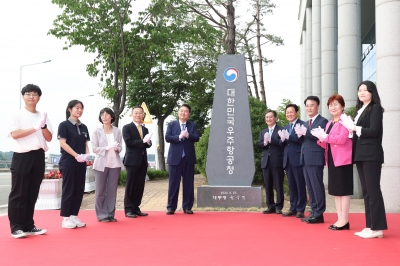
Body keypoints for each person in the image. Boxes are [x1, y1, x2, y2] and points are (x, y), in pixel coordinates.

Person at [340, 81, 388, 238]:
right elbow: (358, 132)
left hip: (371, 155)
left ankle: (377, 228)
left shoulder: (375, 108)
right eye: (359, 90)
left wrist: (355, 128)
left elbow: (374, 131)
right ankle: (370, 226)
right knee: (367, 192)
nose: (361, 93)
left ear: (372, 92)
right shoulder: (360, 110)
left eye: (365, 90)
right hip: (361, 154)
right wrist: (350, 131)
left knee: (373, 191)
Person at [7, 84, 53, 239]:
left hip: (38, 155)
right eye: (28, 94)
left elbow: (49, 138)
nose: (31, 97)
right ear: (23, 97)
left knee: (32, 192)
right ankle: (16, 227)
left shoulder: (43, 116)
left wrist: (43, 125)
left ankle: (28, 225)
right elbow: (14, 134)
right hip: (22, 156)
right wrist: (35, 128)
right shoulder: (17, 115)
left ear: (39, 97)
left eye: (34, 94)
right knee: (19, 192)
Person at [312, 95, 353, 230]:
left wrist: (326, 137)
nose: (333, 107)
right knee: (336, 190)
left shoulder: (345, 120)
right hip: (332, 159)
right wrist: (321, 139)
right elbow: (327, 143)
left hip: (343, 159)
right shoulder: (330, 123)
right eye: (330, 105)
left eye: (336, 104)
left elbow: (342, 139)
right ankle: (339, 218)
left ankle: (344, 220)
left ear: (342, 106)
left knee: (343, 190)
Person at [58, 100, 91, 229]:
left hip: (81, 162)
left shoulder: (84, 127)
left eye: (81, 108)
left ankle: (73, 216)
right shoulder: (64, 125)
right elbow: (63, 143)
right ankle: (66, 218)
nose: (79, 110)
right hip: (69, 162)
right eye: (77, 108)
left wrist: (86, 155)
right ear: (69, 109)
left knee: (78, 189)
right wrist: (76, 155)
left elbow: (85, 144)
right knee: (69, 189)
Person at [295, 96, 328, 224]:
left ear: (318, 106)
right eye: (307, 105)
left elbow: (319, 138)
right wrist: (299, 135)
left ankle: (319, 213)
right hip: (304, 157)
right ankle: (314, 212)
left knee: (317, 186)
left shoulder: (323, 121)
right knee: (310, 187)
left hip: (315, 158)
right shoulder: (304, 123)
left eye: (312, 105)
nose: (309, 108)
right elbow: (303, 141)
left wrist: (305, 133)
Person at [165, 104, 200, 215]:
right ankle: (171, 207)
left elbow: (197, 137)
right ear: (178, 112)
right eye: (181, 111)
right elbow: (167, 137)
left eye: (186, 111)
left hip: (188, 158)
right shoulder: (172, 124)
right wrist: (178, 137)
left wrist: (188, 135)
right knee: (173, 184)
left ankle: (187, 206)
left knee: (188, 184)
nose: (183, 113)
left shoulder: (192, 125)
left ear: (189, 114)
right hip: (175, 158)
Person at [91, 108, 124, 222]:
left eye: (106, 115)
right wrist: (106, 148)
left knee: (112, 190)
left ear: (111, 117)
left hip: (115, 163)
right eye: (102, 115)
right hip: (101, 164)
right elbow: (94, 148)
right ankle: (101, 214)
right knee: (100, 190)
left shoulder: (117, 131)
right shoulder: (97, 131)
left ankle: (110, 213)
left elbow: (120, 147)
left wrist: (116, 148)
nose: (104, 117)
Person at [122, 106, 152, 218]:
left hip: (143, 161)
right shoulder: (127, 128)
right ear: (131, 114)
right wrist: (142, 141)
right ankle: (128, 209)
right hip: (132, 161)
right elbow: (129, 142)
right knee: (131, 185)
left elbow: (148, 144)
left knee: (140, 186)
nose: (138, 115)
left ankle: (136, 207)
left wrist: (148, 142)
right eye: (136, 113)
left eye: (140, 113)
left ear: (143, 115)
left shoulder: (145, 129)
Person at [278, 104, 307, 218]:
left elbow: (301, 141)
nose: (289, 114)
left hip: (298, 159)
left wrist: (288, 136)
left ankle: (300, 209)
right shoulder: (285, 127)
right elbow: (282, 144)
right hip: (288, 160)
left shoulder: (302, 125)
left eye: (291, 112)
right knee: (292, 185)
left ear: (296, 113)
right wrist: (282, 139)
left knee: (300, 184)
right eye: (287, 112)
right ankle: (293, 207)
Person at [257, 110, 285, 214]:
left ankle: (279, 206)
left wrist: (271, 141)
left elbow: (283, 143)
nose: (268, 119)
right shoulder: (263, 131)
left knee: (278, 185)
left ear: (275, 118)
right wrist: (264, 143)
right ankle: (270, 205)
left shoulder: (281, 130)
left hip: (277, 161)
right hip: (266, 161)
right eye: (267, 117)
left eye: (271, 117)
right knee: (267, 185)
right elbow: (259, 145)